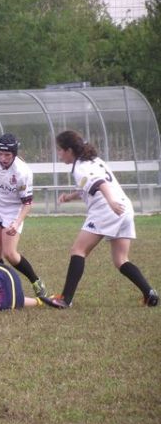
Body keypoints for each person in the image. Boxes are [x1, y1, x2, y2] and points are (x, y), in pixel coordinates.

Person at [42, 130, 158, 309]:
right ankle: (149, 293)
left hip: (108, 209)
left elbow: (100, 184)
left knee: (78, 250)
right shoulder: (93, 160)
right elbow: (88, 187)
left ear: (70, 150)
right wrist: (70, 197)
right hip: (124, 208)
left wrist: (111, 202)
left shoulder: (81, 168)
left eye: (60, 150)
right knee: (121, 260)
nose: (59, 154)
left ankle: (65, 299)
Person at [0, 133, 48, 298]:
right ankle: (0, 289)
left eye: (7, 154)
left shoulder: (23, 172)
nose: (3, 158)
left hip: (13, 210)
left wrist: (16, 223)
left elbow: (27, 203)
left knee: (10, 254)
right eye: (0, 154)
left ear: (14, 154)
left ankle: (35, 281)